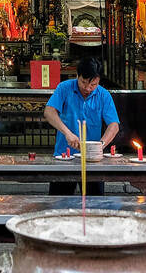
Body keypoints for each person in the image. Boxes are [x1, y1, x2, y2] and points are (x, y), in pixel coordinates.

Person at [44, 57, 120, 196]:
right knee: (60, 204)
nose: (87, 88)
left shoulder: (104, 95)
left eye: (93, 85)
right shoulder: (64, 88)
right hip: (64, 156)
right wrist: (67, 133)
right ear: (77, 76)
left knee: (94, 205)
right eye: (83, 82)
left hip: (92, 160)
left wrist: (100, 145)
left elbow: (114, 125)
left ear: (99, 81)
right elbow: (49, 112)